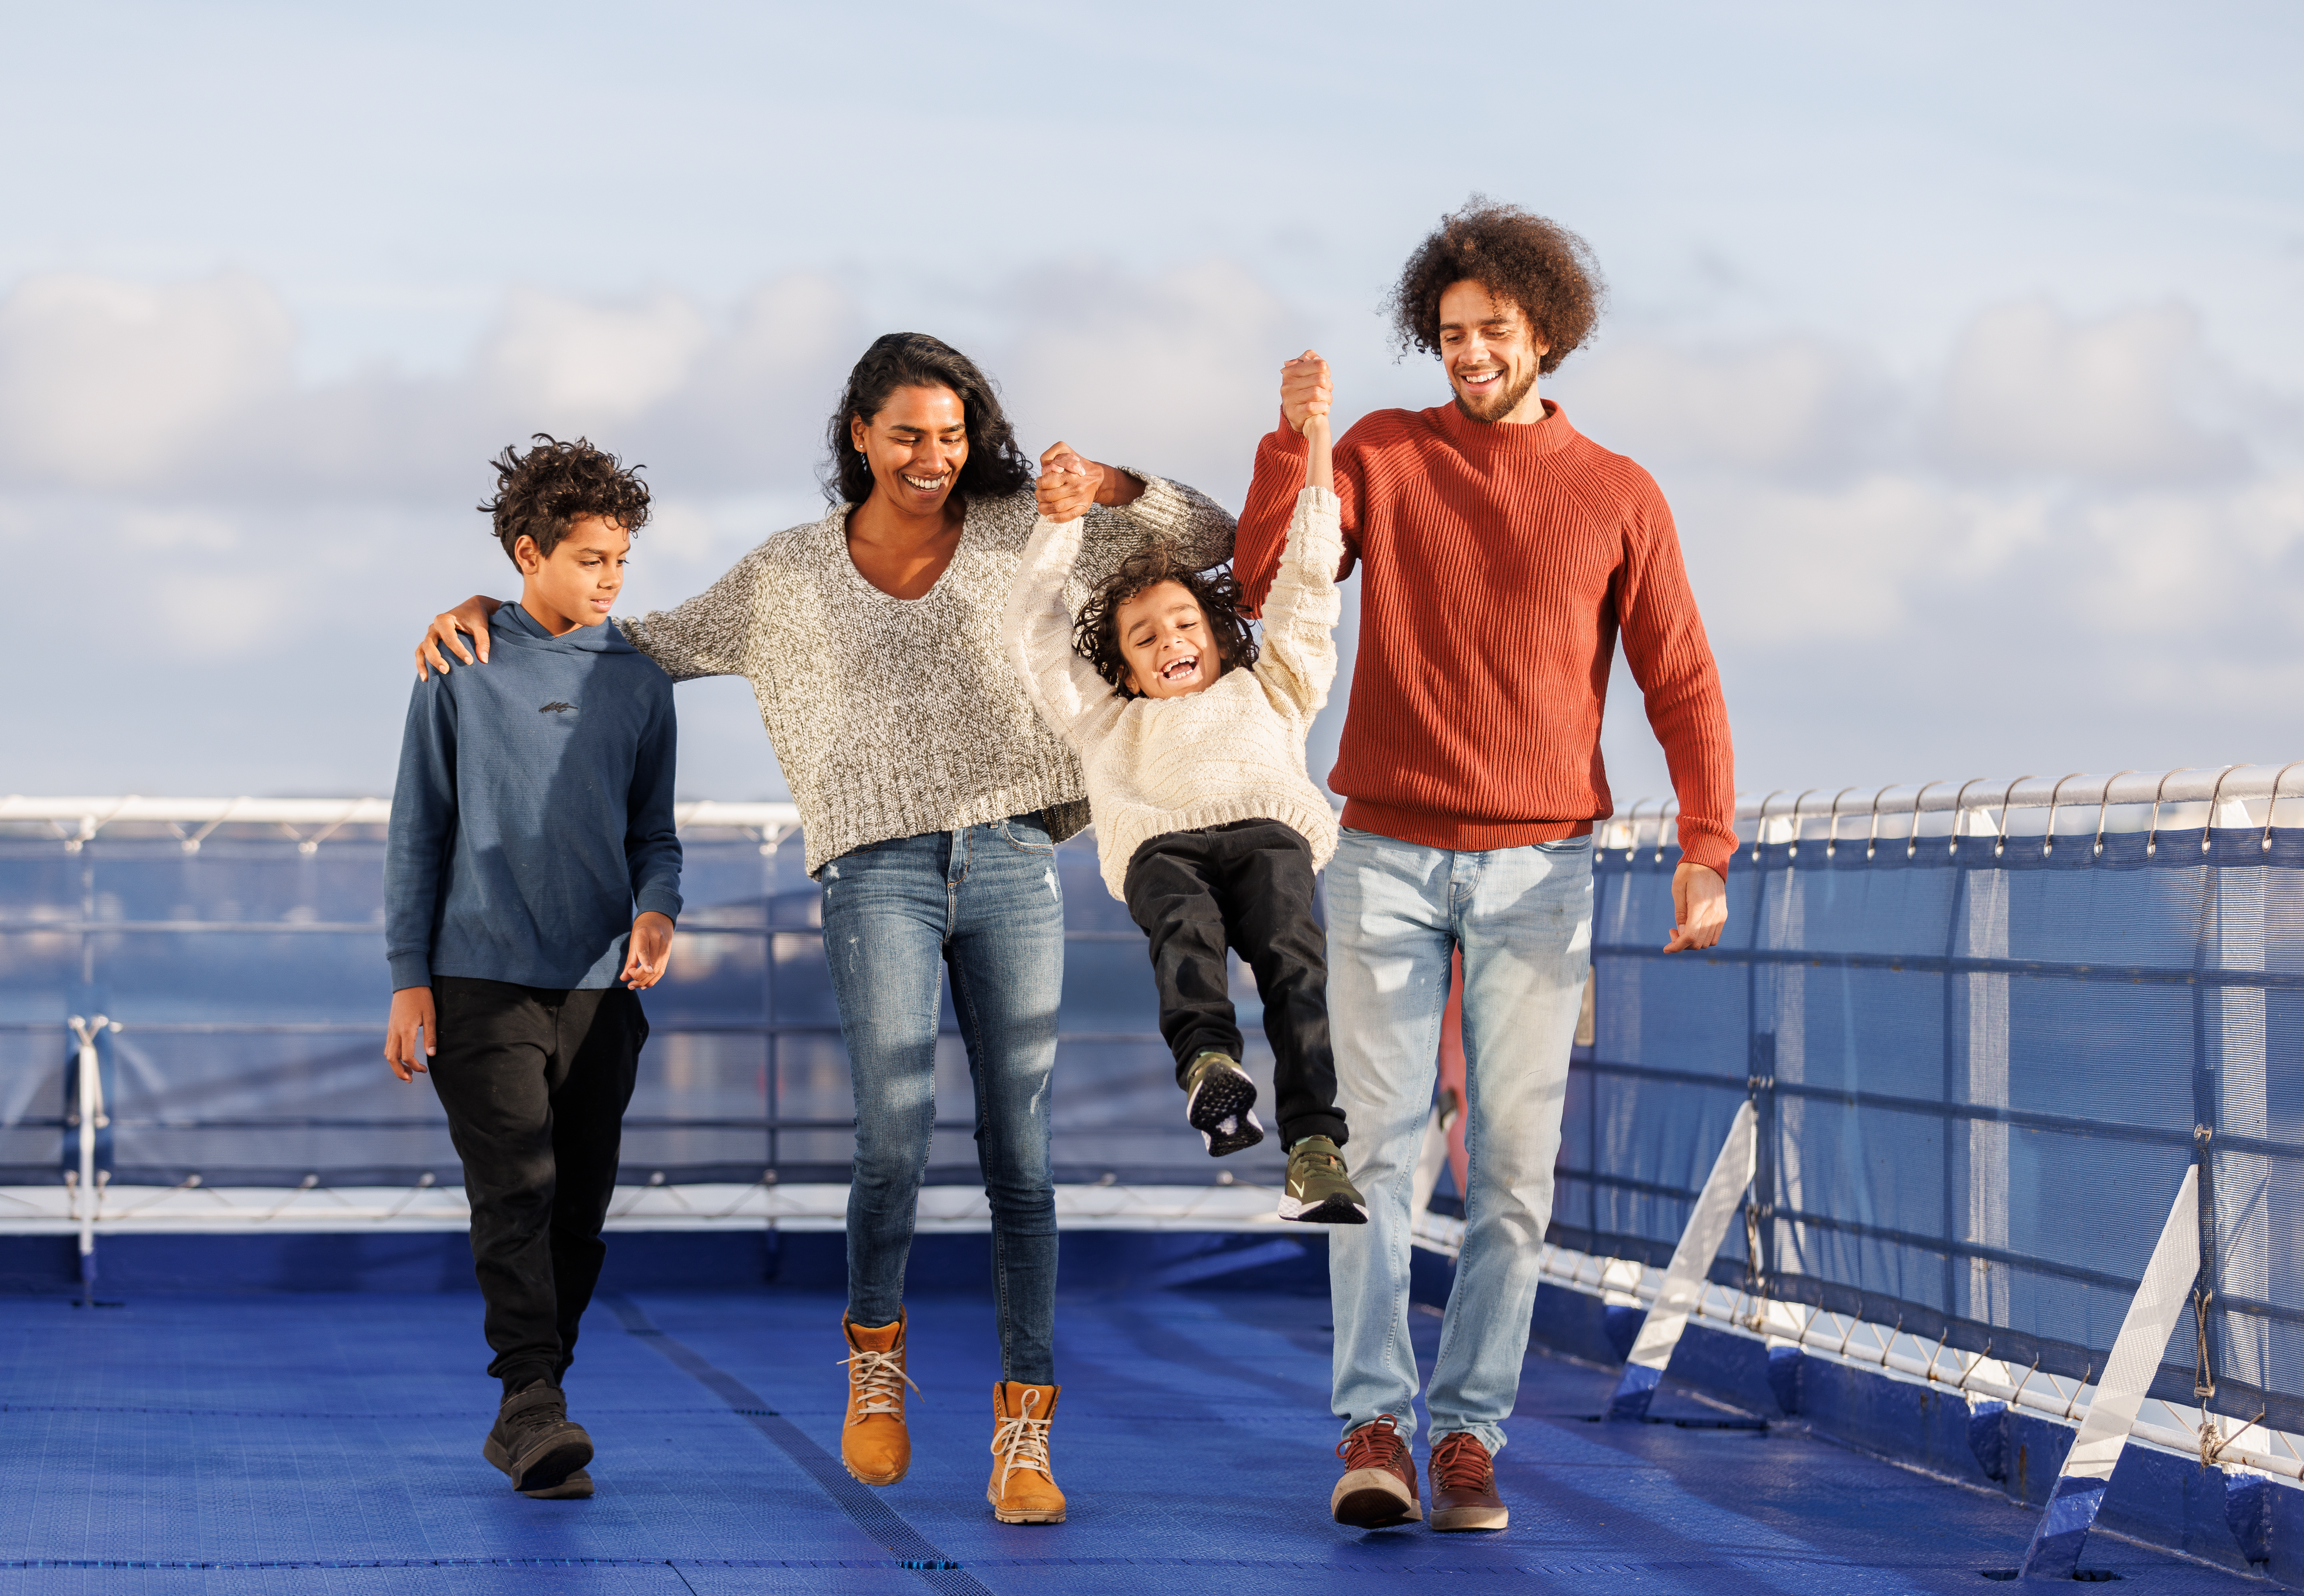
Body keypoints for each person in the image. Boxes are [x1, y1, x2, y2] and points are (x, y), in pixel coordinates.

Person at [411, 333, 1235, 1524]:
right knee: (892, 1129)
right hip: (872, 872)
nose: (932, 457)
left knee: (1022, 1153)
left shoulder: (1023, 533)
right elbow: (635, 648)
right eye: (907, 433)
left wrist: (1105, 486)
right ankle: (875, 1358)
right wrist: (497, 607)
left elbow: (1205, 539)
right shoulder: (785, 573)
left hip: (1009, 854)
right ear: (857, 433)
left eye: (952, 435)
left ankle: (1023, 1434)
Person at [1234, 200, 1736, 1533]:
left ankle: (1468, 1435)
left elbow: (1678, 679)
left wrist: (1704, 847)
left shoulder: (1619, 492)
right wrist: (1294, 446)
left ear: (1545, 333)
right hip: (1384, 855)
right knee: (1372, 1157)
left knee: (1514, 1171)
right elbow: (1265, 578)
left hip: (1540, 873)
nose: (1467, 352)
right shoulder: (1382, 455)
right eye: (1448, 332)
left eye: (1492, 331)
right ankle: (1376, 1426)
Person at [383, 435, 682, 1503]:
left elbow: (656, 832)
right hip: (477, 978)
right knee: (513, 1184)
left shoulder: (641, 678)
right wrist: (406, 977)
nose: (609, 579)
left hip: (605, 986)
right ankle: (531, 1403)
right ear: (528, 552)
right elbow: (418, 827)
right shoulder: (458, 665)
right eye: (591, 558)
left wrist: (658, 911)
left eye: (621, 561)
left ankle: (535, 1396)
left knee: (578, 1207)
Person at [1000, 391, 1364, 1224]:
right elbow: (1034, 633)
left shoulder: (1275, 687)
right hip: (1165, 845)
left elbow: (1310, 583)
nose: (1171, 642)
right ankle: (1211, 1071)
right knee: (1185, 935)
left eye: (1183, 623)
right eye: (1146, 637)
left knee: (1294, 966)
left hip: (1269, 837)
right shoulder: (1109, 719)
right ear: (1125, 669)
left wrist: (1317, 441)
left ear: (1217, 631)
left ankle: (1314, 1150)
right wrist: (1064, 518)